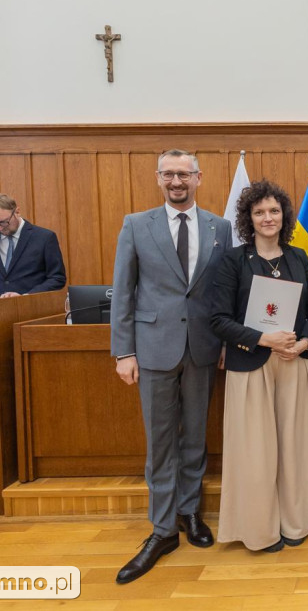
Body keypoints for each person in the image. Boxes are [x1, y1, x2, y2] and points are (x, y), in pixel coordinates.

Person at [110, 149, 232, 584]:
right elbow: (122, 291)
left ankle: (189, 513)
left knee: (195, 438)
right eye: (169, 174)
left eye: (185, 174)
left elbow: (223, 292)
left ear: (199, 177)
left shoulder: (221, 227)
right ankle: (162, 530)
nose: (177, 181)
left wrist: (225, 343)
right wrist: (123, 352)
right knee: (161, 442)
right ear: (158, 178)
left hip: (203, 348)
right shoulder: (136, 225)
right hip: (153, 350)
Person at [210, 179, 308, 552]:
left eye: (274, 211)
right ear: (248, 218)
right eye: (259, 212)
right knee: (255, 453)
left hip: (294, 361)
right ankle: (259, 529)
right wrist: (262, 339)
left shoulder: (298, 258)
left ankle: (296, 521)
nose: (267, 217)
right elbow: (217, 319)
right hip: (251, 364)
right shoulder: (232, 261)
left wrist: (305, 342)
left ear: (284, 216)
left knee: (295, 446)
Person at [0, 193, 66, 297]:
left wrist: (26, 296)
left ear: (17, 212)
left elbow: (57, 278)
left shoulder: (44, 237)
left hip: (31, 307)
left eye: (3, 222)